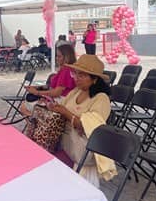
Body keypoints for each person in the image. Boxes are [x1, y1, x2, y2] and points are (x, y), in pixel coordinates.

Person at [47, 54, 116, 187]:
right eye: (76, 74)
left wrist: (65, 113)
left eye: (82, 76)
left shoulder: (101, 99)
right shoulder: (76, 91)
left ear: (94, 79)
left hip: (82, 148)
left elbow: (90, 128)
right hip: (65, 141)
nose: (76, 79)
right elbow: (62, 106)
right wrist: (54, 107)